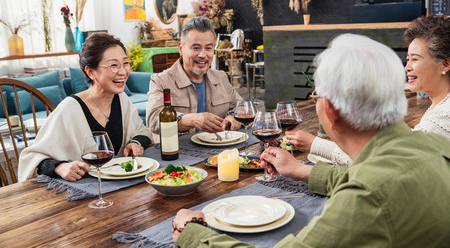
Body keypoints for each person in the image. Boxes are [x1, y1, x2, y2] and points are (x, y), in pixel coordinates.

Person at [171, 34, 450, 247]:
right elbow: (367, 175)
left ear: (329, 111)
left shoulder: (365, 199)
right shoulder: (436, 147)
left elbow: (370, 186)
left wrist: (192, 234)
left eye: (318, 97)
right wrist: (301, 171)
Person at [286, 16, 450, 166]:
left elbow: (383, 164)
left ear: (445, 64)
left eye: (415, 59)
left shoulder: (443, 117)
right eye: (408, 59)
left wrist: (314, 144)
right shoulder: (440, 105)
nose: (407, 68)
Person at [18, 33, 152, 182]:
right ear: (90, 72)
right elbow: (31, 158)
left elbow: (142, 132)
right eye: (113, 65)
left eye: (125, 63)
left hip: (120, 186)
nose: (123, 71)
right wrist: (59, 167)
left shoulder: (121, 99)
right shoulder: (69, 109)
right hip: (82, 190)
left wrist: (136, 142)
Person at [146, 16, 242, 142]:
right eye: (196, 48)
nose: (202, 55)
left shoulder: (221, 77)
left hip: (217, 152)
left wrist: (234, 117)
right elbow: (153, 120)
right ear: (181, 49)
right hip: (178, 155)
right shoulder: (161, 81)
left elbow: (242, 106)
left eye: (208, 48)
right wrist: (192, 120)